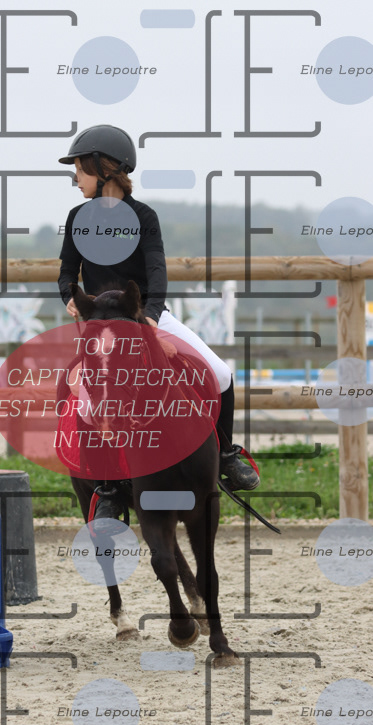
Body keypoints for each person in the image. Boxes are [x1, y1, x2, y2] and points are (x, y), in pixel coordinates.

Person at [57, 124, 259, 518]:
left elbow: (157, 270)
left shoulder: (144, 216)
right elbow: (67, 271)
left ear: (103, 169)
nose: (75, 179)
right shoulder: (77, 217)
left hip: (148, 317)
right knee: (84, 399)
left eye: (79, 170)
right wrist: (70, 297)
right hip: (102, 326)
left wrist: (150, 315)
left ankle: (226, 455)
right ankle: (108, 489)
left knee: (220, 374)